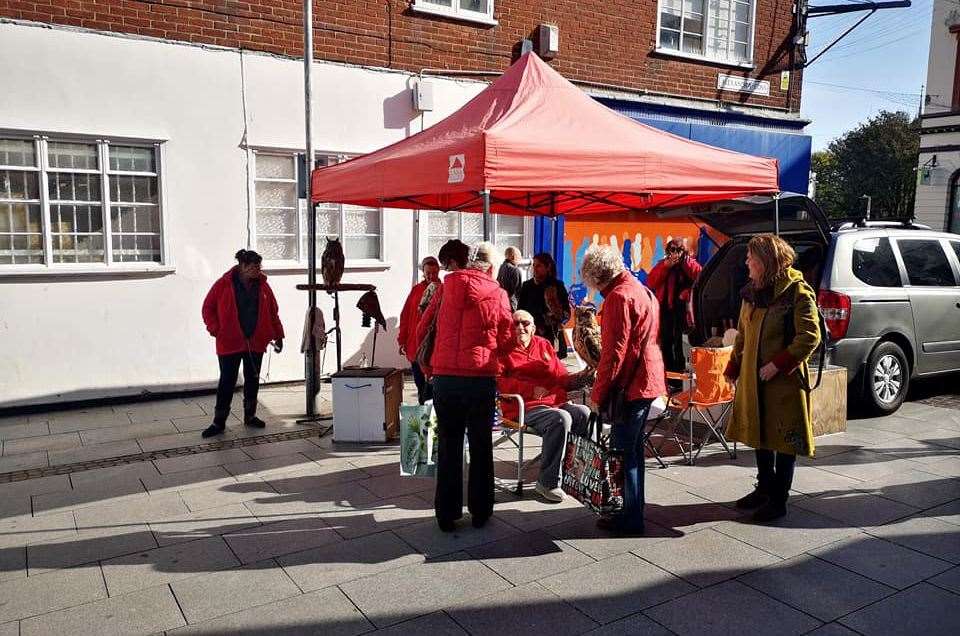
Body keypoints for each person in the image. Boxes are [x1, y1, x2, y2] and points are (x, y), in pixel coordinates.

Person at [724, 234, 821, 523]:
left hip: (783, 384)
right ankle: (764, 488)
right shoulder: (752, 292)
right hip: (755, 381)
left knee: (783, 441)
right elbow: (743, 334)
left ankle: (779, 499)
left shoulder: (797, 292)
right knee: (759, 434)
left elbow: (809, 336)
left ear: (765, 262)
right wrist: (733, 367)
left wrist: (778, 365)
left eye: (751, 257)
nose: (746, 262)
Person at [418, 240, 512, 532]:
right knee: (482, 445)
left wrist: (430, 368)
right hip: (480, 378)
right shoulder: (497, 293)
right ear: (492, 268)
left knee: (448, 445)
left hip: (445, 379)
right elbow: (508, 338)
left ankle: (446, 514)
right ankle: (481, 510)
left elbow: (424, 328)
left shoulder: (446, 287)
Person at [581, 244, 665, 535]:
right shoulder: (640, 288)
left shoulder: (618, 297)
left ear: (596, 276)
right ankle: (633, 511)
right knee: (633, 452)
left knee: (623, 454)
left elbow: (614, 354)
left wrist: (597, 394)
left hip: (632, 384)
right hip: (647, 378)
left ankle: (630, 519)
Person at [498, 310, 592, 502]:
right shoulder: (502, 350)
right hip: (523, 407)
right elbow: (498, 382)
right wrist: (529, 389)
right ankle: (547, 482)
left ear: (533, 327)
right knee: (560, 418)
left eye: (525, 323)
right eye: (515, 324)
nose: (520, 327)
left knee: (584, 413)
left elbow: (562, 377)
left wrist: (583, 377)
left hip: (553, 402)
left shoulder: (544, 344)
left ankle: (573, 472)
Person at [201, 249, 284, 438]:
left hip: (255, 340)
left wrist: (278, 335)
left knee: (253, 378)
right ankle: (218, 422)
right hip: (229, 341)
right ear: (243, 267)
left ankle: (250, 415)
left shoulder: (263, 286)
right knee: (227, 381)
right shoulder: (223, 284)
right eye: (254, 267)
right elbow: (207, 308)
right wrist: (216, 329)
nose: (258, 270)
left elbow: (273, 312)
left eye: (259, 266)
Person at [646, 238, 701, 375]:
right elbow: (651, 282)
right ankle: (667, 372)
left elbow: (700, 277)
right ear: (668, 252)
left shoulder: (690, 263)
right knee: (665, 342)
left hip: (683, 310)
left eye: (679, 250)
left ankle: (680, 372)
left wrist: (685, 263)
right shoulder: (662, 265)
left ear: (684, 251)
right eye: (673, 250)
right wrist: (666, 266)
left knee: (680, 343)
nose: (676, 253)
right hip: (665, 310)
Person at [398, 256, 441, 404]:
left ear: (438, 271)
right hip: (415, 345)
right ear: (423, 272)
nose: (430, 276)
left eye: (434, 273)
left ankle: (431, 418)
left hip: (434, 346)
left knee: (433, 386)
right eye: (428, 273)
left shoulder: (443, 290)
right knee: (419, 383)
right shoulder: (416, 290)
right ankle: (423, 415)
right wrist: (402, 340)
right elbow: (405, 316)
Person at [518, 252, 571, 358]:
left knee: (551, 368)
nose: (535, 269)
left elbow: (567, 314)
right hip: (531, 335)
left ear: (548, 267)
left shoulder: (557, 286)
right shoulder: (527, 286)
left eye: (538, 266)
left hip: (551, 335)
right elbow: (520, 311)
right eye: (534, 265)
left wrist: (555, 312)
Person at [497, 246, 524, 310]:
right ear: (513, 257)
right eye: (519, 257)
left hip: (500, 302)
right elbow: (518, 291)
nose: (520, 260)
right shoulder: (515, 270)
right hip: (511, 305)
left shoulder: (500, 267)